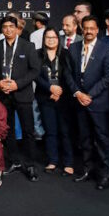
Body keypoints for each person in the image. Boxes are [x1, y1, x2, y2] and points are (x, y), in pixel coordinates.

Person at [63, 15, 109, 189]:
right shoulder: (73, 48)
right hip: (79, 101)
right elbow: (67, 73)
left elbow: (108, 77)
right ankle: (87, 169)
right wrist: (78, 93)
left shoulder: (107, 50)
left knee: (102, 138)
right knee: (84, 138)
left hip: (98, 102)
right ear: (81, 29)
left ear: (97, 30)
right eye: (85, 28)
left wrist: (90, 95)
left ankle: (106, 173)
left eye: (92, 28)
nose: (88, 31)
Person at [0, 15, 41, 181]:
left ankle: (30, 165)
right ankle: (14, 161)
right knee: (7, 130)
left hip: (22, 93)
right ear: (1, 30)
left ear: (18, 28)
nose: (8, 30)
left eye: (11, 26)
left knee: (28, 131)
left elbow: (35, 70)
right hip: (3, 94)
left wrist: (17, 84)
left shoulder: (28, 46)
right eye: (5, 27)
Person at [35, 27, 74, 176]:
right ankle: (52, 161)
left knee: (65, 131)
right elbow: (35, 75)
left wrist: (59, 91)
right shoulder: (37, 54)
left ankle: (68, 163)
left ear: (59, 39)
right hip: (45, 97)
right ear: (44, 39)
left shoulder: (66, 54)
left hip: (64, 98)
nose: (51, 40)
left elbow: (70, 75)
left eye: (54, 37)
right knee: (50, 131)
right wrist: (50, 88)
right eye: (48, 37)